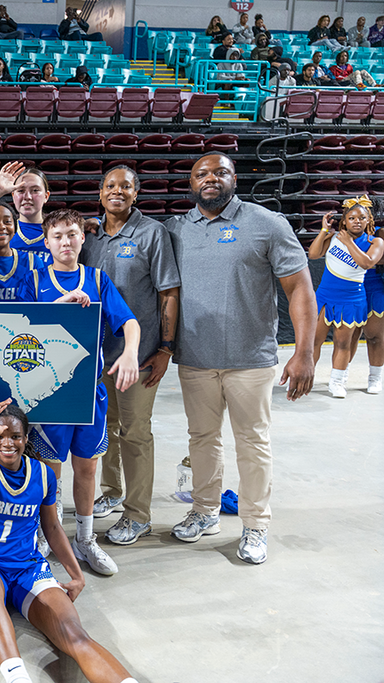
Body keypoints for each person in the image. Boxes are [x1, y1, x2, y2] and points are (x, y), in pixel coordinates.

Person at [163, 153, 316, 565]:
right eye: (201, 173)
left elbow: (300, 289)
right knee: (202, 440)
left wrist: (305, 352)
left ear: (235, 179)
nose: (210, 179)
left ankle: (255, 525)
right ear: (190, 182)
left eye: (220, 172)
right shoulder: (176, 229)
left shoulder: (266, 224)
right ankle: (205, 511)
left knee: (253, 442)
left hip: (251, 359)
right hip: (195, 358)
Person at [0, 400, 139, 683]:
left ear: (26, 439)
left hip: (28, 568)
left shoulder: (42, 474)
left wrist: (76, 575)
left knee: (74, 635)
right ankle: (17, 678)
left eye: (15, 436)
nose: (7, 443)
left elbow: (52, 527)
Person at [20, 209, 140, 575]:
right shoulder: (35, 279)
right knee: (49, 473)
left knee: (86, 468)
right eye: (57, 236)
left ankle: (85, 539)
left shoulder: (97, 279)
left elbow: (129, 322)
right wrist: (59, 307)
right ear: (46, 241)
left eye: (72, 234)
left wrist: (131, 352)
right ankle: (46, 536)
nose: (66, 242)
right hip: (48, 394)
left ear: (82, 238)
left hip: (89, 391)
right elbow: (21, 332)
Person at [81, 167, 181, 546]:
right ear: (101, 192)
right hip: (96, 355)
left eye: (126, 186)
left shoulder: (151, 233)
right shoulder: (90, 237)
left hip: (136, 356)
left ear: (136, 193)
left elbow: (168, 292)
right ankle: (111, 489)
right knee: (104, 428)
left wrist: (165, 349)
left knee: (135, 432)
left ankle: (138, 514)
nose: (117, 191)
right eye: (110, 186)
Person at [308, 198, 384, 397]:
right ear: (345, 220)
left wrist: (349, 242)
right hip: (329, 293)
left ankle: (366, 378)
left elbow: (367, 263)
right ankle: (317, 376)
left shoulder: (376, 239)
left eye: (362, 217)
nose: (357, 221)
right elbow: (313, 254)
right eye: (352, 217)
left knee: (367, 337)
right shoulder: (335, 236)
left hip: (361, 291)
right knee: (319, 340)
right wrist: (325, 231)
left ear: (369, 220)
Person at [349, 198, 384, 394]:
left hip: (373, 287)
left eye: (365, 214)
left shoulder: (379, 236)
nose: (359, 219)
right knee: (349, 337)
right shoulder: (343, 236)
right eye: (353, 215)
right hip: (348, 289)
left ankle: (375, 378)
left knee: (375, 336)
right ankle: (340, 375)